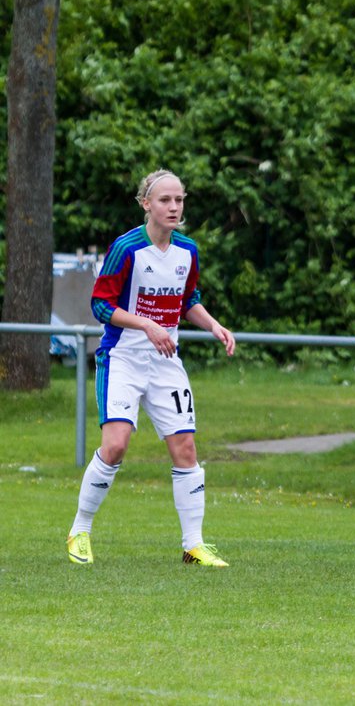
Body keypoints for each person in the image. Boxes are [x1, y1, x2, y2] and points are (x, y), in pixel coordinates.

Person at [66, 169, 236, 567]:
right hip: (123, 358)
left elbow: (187, 299)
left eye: (179, 199)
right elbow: (101, 306)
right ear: (146, 204)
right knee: (116, 446)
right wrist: (146, 324)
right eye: (165, 200)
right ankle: (80, 530)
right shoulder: (127, 248)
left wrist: (213, 325)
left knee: (186, 449)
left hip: (164, 364)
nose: (174, 207)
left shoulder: (187, 251)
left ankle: (193, 545)